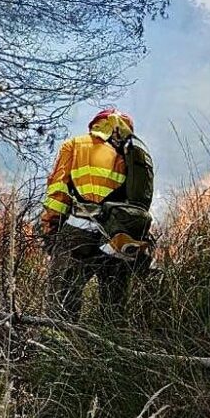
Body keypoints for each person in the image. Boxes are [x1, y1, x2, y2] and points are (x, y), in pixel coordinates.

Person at [39, 108, 154, 321]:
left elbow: (57, 194)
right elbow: (139, 199)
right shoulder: (131, 152)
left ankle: (58, 344)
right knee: (113, 304)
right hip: (116, 235)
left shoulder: (74, 145)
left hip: (77, 230)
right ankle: (108, 346)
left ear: (95, 125)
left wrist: (51, 230)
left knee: (61, 299)